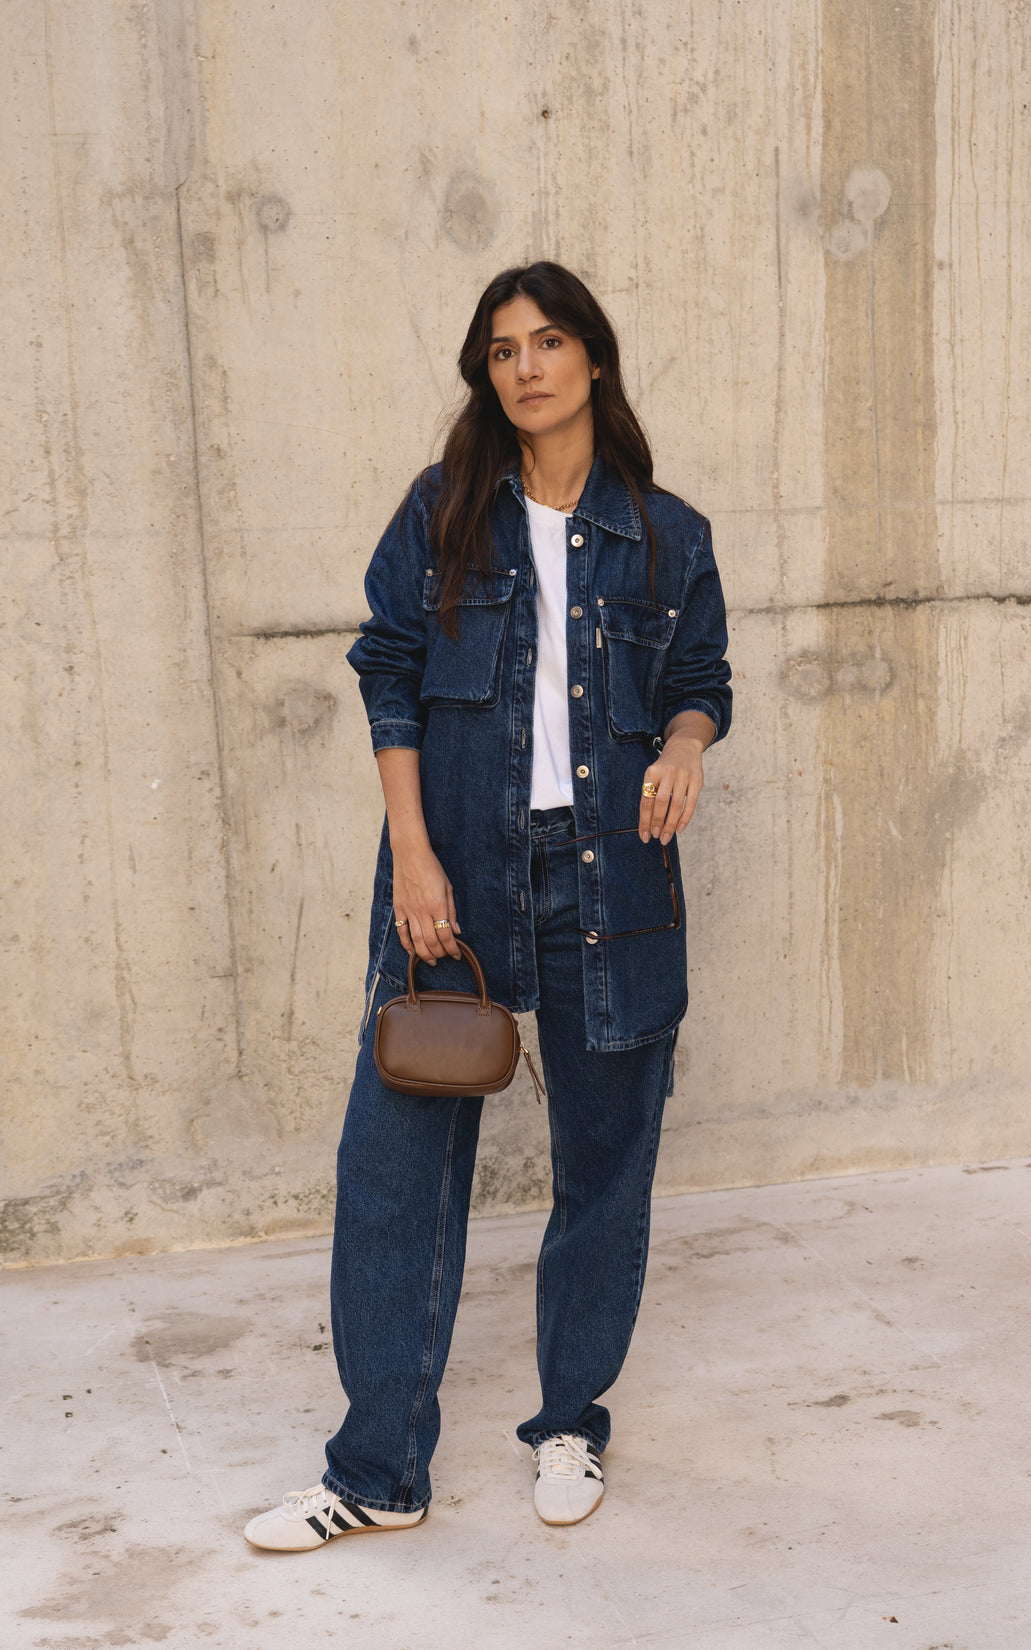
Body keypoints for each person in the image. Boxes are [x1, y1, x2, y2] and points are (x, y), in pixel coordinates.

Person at [244, 261, 732, 1550]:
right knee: (398, 1169)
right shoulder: (444, 511)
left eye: (549, 340)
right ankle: (378, 1466)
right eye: (502, 349)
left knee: (604, 1159)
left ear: (592, 360)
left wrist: (683, 746)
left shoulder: (666, 533)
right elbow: (389, 669)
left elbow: (702, 678)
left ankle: (570, 1418)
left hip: (609, 875)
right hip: (454, 864)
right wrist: (412, 853)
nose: (524, 366)